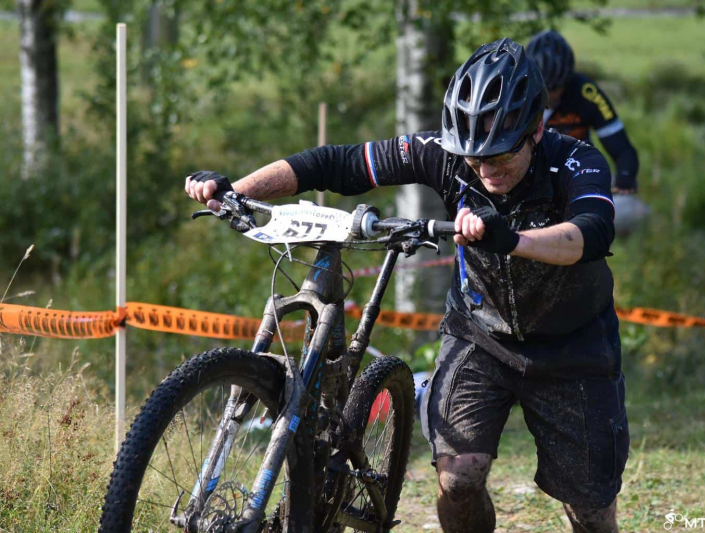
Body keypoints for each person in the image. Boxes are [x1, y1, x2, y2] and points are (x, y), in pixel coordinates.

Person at [186, 38, 628, 533]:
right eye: (473, 159)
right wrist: (236, 189)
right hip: (480, 336)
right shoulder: (446, 154)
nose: (486, 171)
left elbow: (592, 233)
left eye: (501, 156)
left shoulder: (577, 161)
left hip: (574, 345)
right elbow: (337, 163)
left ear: (537, 130)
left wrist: (513, 240)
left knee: (590, 510)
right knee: (457, 479)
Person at [526, 29, 639, 197]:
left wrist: (625, 176)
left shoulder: (586, 92)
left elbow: (622, 149)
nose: (548, 96)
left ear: (567, 80)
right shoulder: (515, 92)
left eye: (554, 89)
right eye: (542, 89)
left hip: (577, 172)